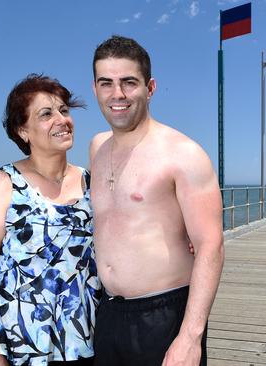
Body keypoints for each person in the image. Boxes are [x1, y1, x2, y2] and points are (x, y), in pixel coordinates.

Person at [89, 35, 224, 365]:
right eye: (106, 83)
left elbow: (211, 245)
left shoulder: (183, 154)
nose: (117, 94)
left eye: (128, 83)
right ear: (95, 89)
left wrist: (190, 338)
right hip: (107, 312)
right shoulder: (97, 147)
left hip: (164, 315)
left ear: (150, 88)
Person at [0, 74, 100, 366]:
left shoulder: (93, 182)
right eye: (46, 114)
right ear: (22, 130)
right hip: (25, 347)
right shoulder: (0, 184)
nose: (62, 119)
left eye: (64, 110)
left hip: (89, 342)